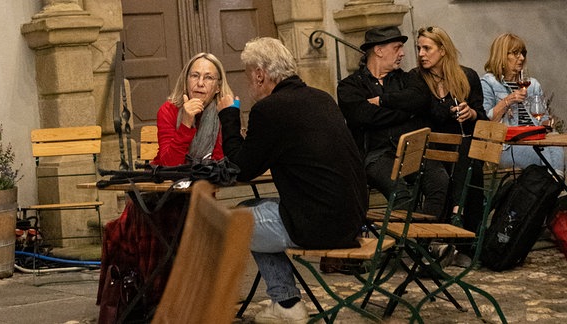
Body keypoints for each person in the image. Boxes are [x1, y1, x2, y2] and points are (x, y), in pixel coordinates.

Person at [217, 37, 367, 323]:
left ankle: (286, 303)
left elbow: (241, 168)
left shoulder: (271, 109)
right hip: (350, 217)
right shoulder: (320, 97)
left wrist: (229, 115)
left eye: (250, 75)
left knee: (233, 224)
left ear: (260, 74)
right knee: (250, 204)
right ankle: (286, 302)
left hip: (319, 224)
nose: (250, 83)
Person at [97, 53, 236, 322]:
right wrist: (185, 123)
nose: (200, 83)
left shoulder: (221, 115)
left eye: (208, 78)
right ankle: (160, 299)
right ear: (185, 81)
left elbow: (221, 159)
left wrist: (228, 120)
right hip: (161, 194)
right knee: (163, 219)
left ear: (218, 86)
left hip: (199, 194)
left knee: (200, 217)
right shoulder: (169, 111)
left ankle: (194, 298)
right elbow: (171, 163)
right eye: (194, 76)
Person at [337, 26, 450, 219]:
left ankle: (422, 240)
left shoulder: (408, 79)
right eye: (397, 47)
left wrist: (383, 103)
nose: (403, 53)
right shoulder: (350, 85)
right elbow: (363, 116)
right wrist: (406, 113)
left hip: (411, 150)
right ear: (379, 50)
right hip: (375, 155)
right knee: (400, 192)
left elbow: (420, 101)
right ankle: (402, 244)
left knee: (440, 180)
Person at [414, 26, 488, 236]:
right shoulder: (417, 79)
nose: (421, 54)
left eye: (427, 48)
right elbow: (428, 116)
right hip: (433, 149)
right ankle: (456, 215)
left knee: (468, 148)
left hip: (463, 148)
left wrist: (471, 113)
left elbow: (482, 117)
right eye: (419, 48)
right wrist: (449, 109)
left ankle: (463, 231)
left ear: (443, 50)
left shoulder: (467, 76)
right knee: (465, 152)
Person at [481, 33, 564, 175]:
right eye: (515, 53)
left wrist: (548, 123)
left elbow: (543, 119)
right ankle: (557, 187)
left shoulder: (532, 84)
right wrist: (507, 101)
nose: (521, 58)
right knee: (548, 157)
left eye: (523, 53)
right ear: (501, 55)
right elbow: (486, 122)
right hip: (507, 146)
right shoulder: (488, 83)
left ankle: (553, 184)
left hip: (536, 140)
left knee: (555, 147)